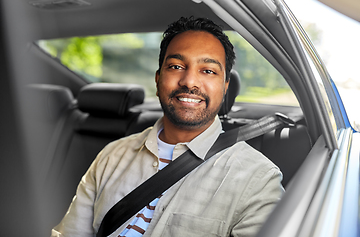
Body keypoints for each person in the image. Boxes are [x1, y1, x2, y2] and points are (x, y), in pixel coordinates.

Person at [51, 16, 284, 237]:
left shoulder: (258, 179)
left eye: (208, 71)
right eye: (176, 66)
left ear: (225, 87)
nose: (189, 81)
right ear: (157, 78)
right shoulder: (111, 156)